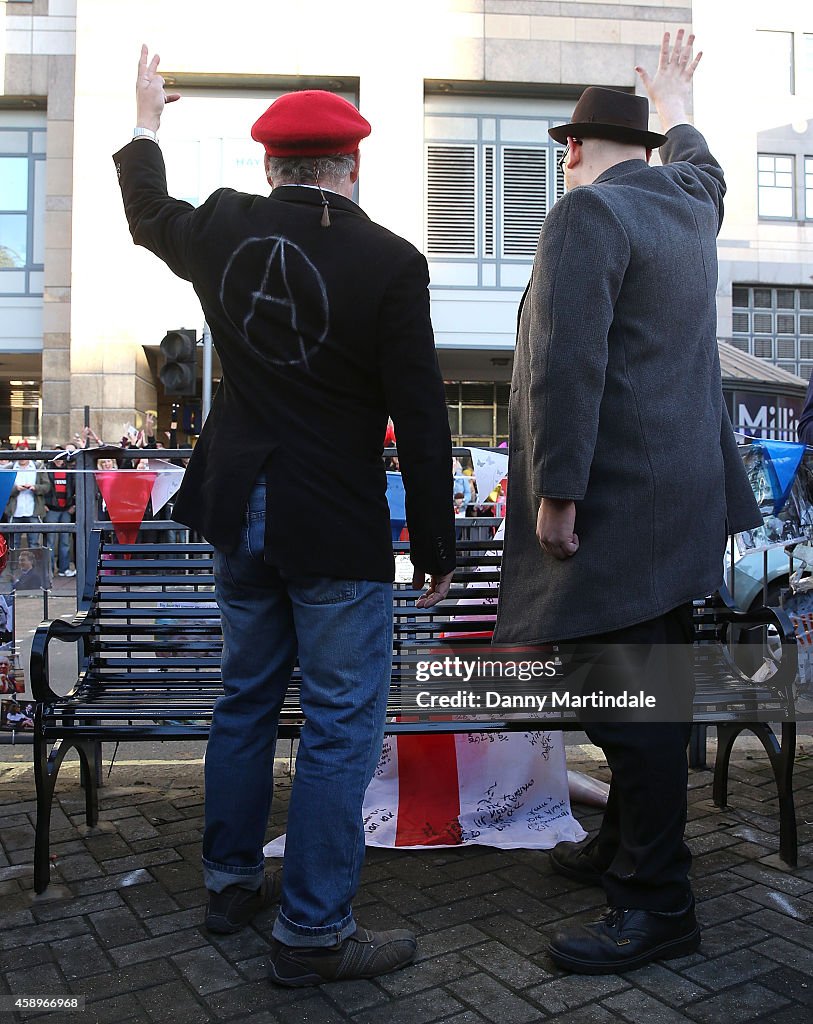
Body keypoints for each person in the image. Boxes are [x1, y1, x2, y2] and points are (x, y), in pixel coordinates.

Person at [113, 46, 455, 986]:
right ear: (353, 169)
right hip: (333, 519)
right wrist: (434, 542)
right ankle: (311, 934)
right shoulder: (389, 261)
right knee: (342, 724)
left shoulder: (224, 225)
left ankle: (230, 885)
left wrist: (147, 120)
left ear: (271, 166)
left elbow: (147, 213)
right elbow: (420, 413)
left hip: (239, 507)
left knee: (246, 697)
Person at [493, 31, 762, 974]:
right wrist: (680, 103)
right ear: (647, 148)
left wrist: (556, 494)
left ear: (571, 148)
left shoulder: (586, 217)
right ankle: (624, 851)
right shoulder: (686, 207)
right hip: (679, 513)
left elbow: (571, 367)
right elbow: (710, 170)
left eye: (563, 146)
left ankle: (656, 906)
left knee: (630, 713)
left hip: (610, 512)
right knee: (647, 700)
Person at [44, 451, 77, 577]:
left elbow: (76, 488)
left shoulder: (70, 472)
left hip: (66, 510)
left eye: (61, 458)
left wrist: (74, 505)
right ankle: (50, 570)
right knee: (50, 542)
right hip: (51, 509)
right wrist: (44, 504)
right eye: (56, 458)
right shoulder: (47, 470)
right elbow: (45, 487)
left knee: (65, 542)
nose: (59, 460)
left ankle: (64, 569)